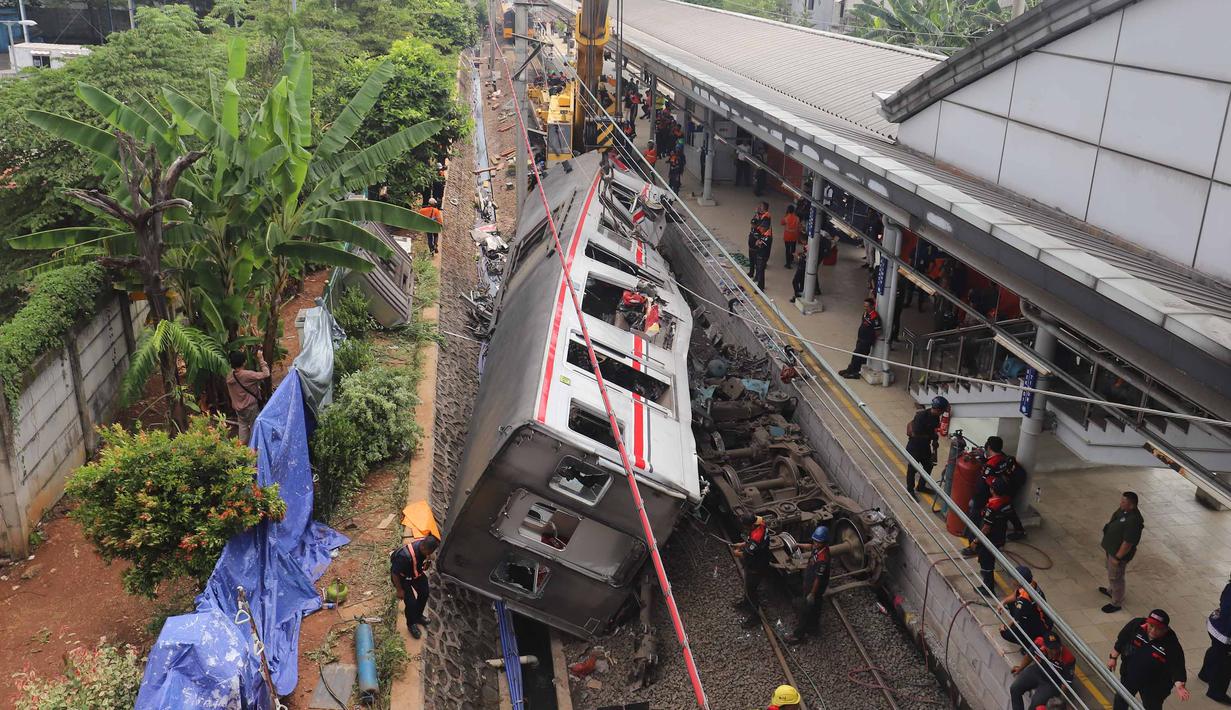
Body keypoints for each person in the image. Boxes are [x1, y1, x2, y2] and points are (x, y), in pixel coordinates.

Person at [1109, 609, 1190, 709]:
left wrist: (1179, 685)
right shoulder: (1136, 625)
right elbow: (1122, 640)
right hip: (1130, 674)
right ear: (1147, 622)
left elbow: (1177, 666)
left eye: (1159, 629)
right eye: (1151, 626)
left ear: (1166, 629)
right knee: (1121, 699)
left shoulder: (1171, 644)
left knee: (1152, 706)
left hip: (1154, 685)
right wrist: (1113, 657)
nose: (1153, 631)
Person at [1099, 491, 1145, 613]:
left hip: (1117, 555)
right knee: (1111, 572)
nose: (1120, 503)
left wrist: (1117, 558)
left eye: (1124, 502)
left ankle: (1116, 602)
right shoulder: (1123, 510)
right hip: (1111, 550)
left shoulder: (1134, 521)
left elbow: (1128, 543)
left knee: (1116, 577)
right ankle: (1111, 591)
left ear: (1132, 505)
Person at [390, 533, 440, 640]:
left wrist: (427, 562)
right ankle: (411, 624)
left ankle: (418, 616)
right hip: (403, 578)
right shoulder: (404, 556)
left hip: (416, 574)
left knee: (424, 592)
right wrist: (399, 590)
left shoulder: (425, 547)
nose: (430, 554)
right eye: (429, 552)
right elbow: (394, 573)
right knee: (411, 603)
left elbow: (427, 558)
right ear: (422, 547)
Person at [786, 526, 831, 644]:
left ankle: (798, 636)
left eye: (818, 542)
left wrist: (812, 593)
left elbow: (818, 578)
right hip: (810, 583)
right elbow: (811, 547)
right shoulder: (819, 548)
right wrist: (799, 545)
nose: (815, 543)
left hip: (814, 587)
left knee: (805, 610)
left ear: (824, 542)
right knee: (816, 607)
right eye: (815, 540)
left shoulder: (823, 559)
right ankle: (814, 628)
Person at [1009, 632, 1076, 710]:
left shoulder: (1068, 658)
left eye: (1056, 648)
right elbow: (1029, 656)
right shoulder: (1038, 643)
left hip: (1052, 682)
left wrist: (1061, 699)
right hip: (1038, 670)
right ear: (1045, 645)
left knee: (1036, 704)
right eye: (1051, 649)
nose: (1054, 651)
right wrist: (1020, 668)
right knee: (1015, 688)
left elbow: (1066, 683)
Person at [902, 396, 948, 495]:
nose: (942, 413)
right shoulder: (921, 416)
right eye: (942, 411)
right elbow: (916, 433)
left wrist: (935, 441)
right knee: (912, 469)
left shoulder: (936, 417)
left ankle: (921, 487)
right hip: (915, 447)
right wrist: (931, 437)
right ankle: (910, 489)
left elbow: (934, 430)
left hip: (925, 447)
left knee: (928, 466)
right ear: (938, 409)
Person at [731, 513, 771, 627]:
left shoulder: (756, 539)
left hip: (756, 566)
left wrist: (737, 553)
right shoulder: (760, 523)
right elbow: (750, 541)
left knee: (751, 590)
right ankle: (746, 602)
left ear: (750, 525)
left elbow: (747, 554)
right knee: (749, 588)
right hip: (762, 558)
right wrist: (742, 544)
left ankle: (755, 616)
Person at [976, 477, 1014, 594]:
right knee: (989, 558)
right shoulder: (1007, 502)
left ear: (993, 490)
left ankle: (988, 588)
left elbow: (986, 528)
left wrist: (976, 541)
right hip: (1000, 536)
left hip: (990, 539)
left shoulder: (992, 507)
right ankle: (987, 576)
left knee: (986, 560)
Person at [1000, 565, 1052, 648]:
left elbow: (1016, 619)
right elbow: (1015, 596)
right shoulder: (1031, 584)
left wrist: (1006, 627)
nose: (1012, 580)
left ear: (1019, 581)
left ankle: (1028, 645)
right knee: (1010, 603)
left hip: (1040, 626)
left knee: (1005, 633)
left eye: (1014, 578)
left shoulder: (1024, 599)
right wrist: (1003, 602)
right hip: (1042, 618)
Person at [226, 350, 269, 444]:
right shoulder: (247, 375)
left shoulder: (230, 376)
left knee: (243, 426)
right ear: (244, 362)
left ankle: (241, 449)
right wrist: (261, 359)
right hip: (250, 407)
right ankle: (254, 448)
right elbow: (266, 374)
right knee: (254, 425)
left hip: (238, 408)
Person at [1200, 572, 1231, 704]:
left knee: (1215, 651)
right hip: (1225, 633)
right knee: (1225, 664)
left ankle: (1205, 674)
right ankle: (1216, 692)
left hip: (1216, 625)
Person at [839, 298, 882, 379]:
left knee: (858, 356)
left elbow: (878, 331)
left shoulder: (874, 317)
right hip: (860, 338)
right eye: (864, 306)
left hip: (866, 341)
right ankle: (850, 369)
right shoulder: (866, 313)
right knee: (855, 355)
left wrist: (870, 337)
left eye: (867, 306)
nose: (865, 308)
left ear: (872, 306)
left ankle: (855, 373)